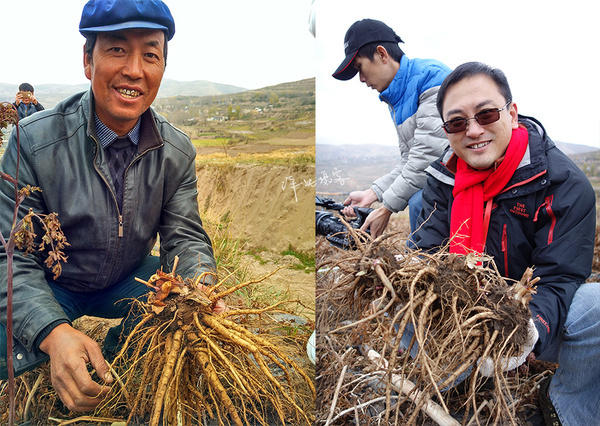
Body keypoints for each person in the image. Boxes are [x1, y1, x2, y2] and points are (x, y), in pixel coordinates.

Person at [0, 0, 220, 412]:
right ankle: (41, 374)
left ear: (161, 70)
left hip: (126, 281)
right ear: (88, 60)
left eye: (150, 54)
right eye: (117, 49)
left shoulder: (176, 152)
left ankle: (114, 360)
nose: (134, 69)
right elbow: (8, 252)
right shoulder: (33, 141)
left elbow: (185, 236)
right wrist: (52, 331)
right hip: (54, 282)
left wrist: (201, 290)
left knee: (180, 297)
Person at [412, 61, 600, 424]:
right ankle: (451, 381)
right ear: (447, 130)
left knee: (597, 308)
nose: (473, 130)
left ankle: (567, 410)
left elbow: (559, 278)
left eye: (485, 114)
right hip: (462, 315)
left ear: (512, 114)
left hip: (530, 312)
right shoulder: (441, 180)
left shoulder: (563, 185)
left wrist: (528, 331)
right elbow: (426, 258)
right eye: (457, 122)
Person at [332, 18, 450, 237]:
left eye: (360, 67)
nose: (361, 79)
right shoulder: (397, 95)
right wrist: (373, 192)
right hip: (445, 176)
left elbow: (427, 159)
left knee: (420, 201)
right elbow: (410, 161)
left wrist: (386, 208)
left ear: (381, 54)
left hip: (472, 176)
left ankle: (430, 261)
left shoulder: (430, 78)